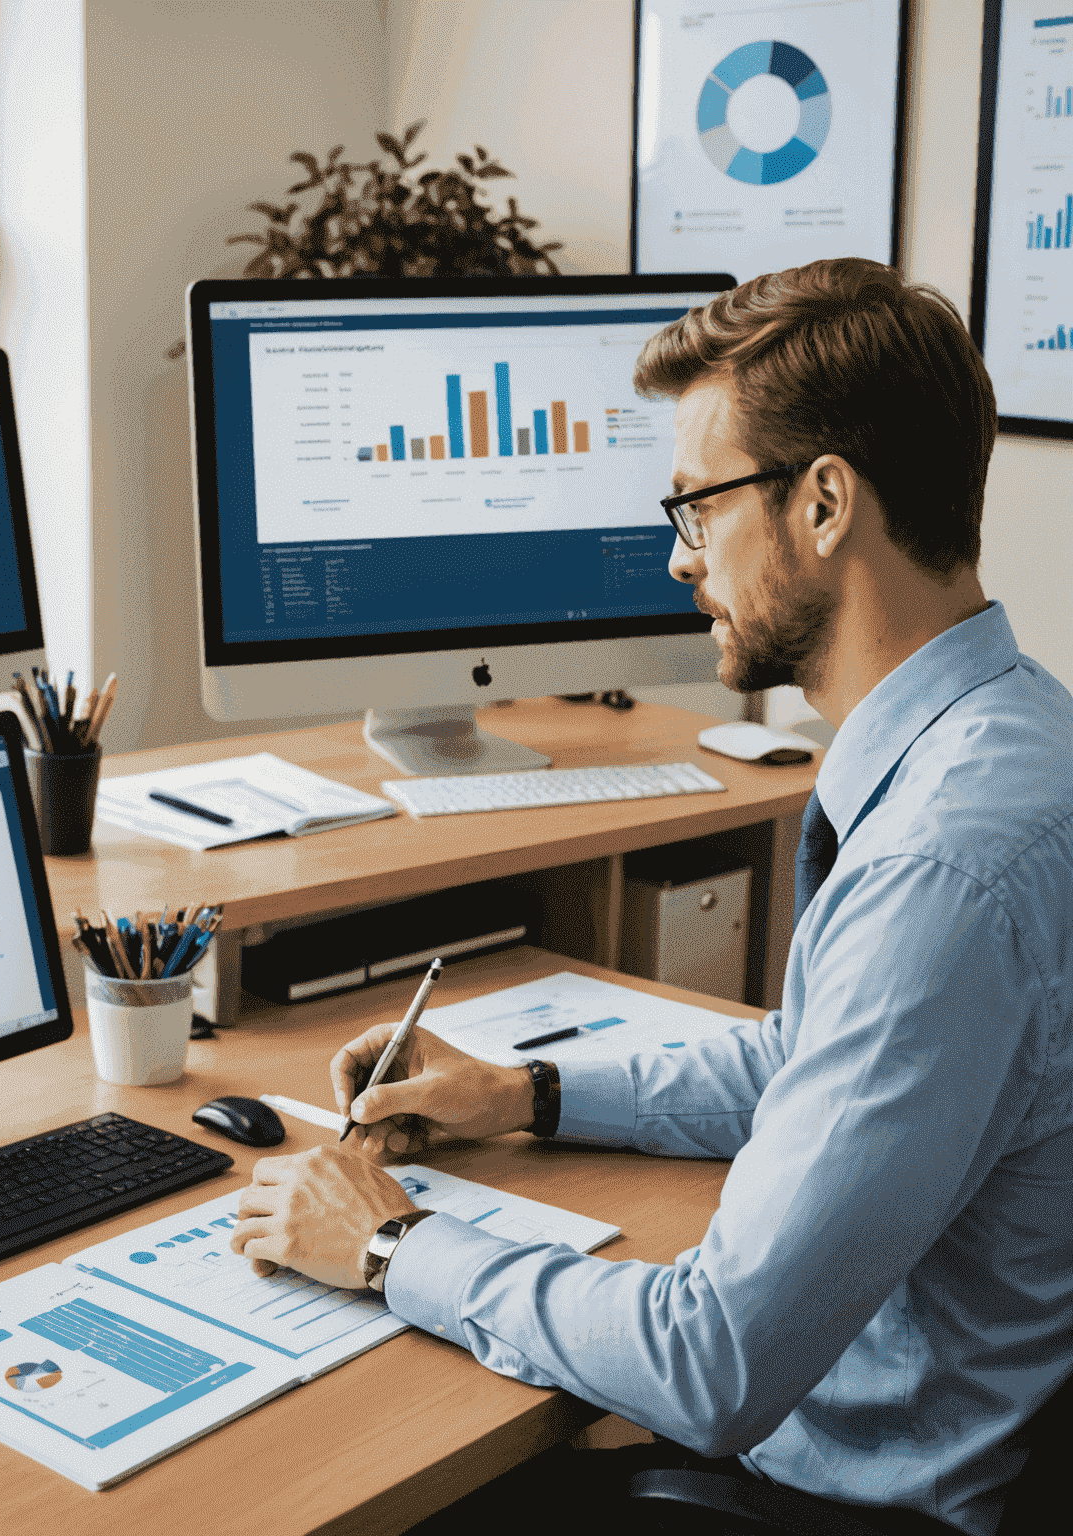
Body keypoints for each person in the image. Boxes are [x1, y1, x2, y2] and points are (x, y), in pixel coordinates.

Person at [229, 258, 1073, 1536]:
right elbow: (816, 1066)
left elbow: (708, 1360)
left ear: (826, 504)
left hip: (851, 1503)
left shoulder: (939, 878)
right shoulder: (1017, 740)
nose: (680, 561)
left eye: (697, 509)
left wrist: (390, 1246)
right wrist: (527, 1096)